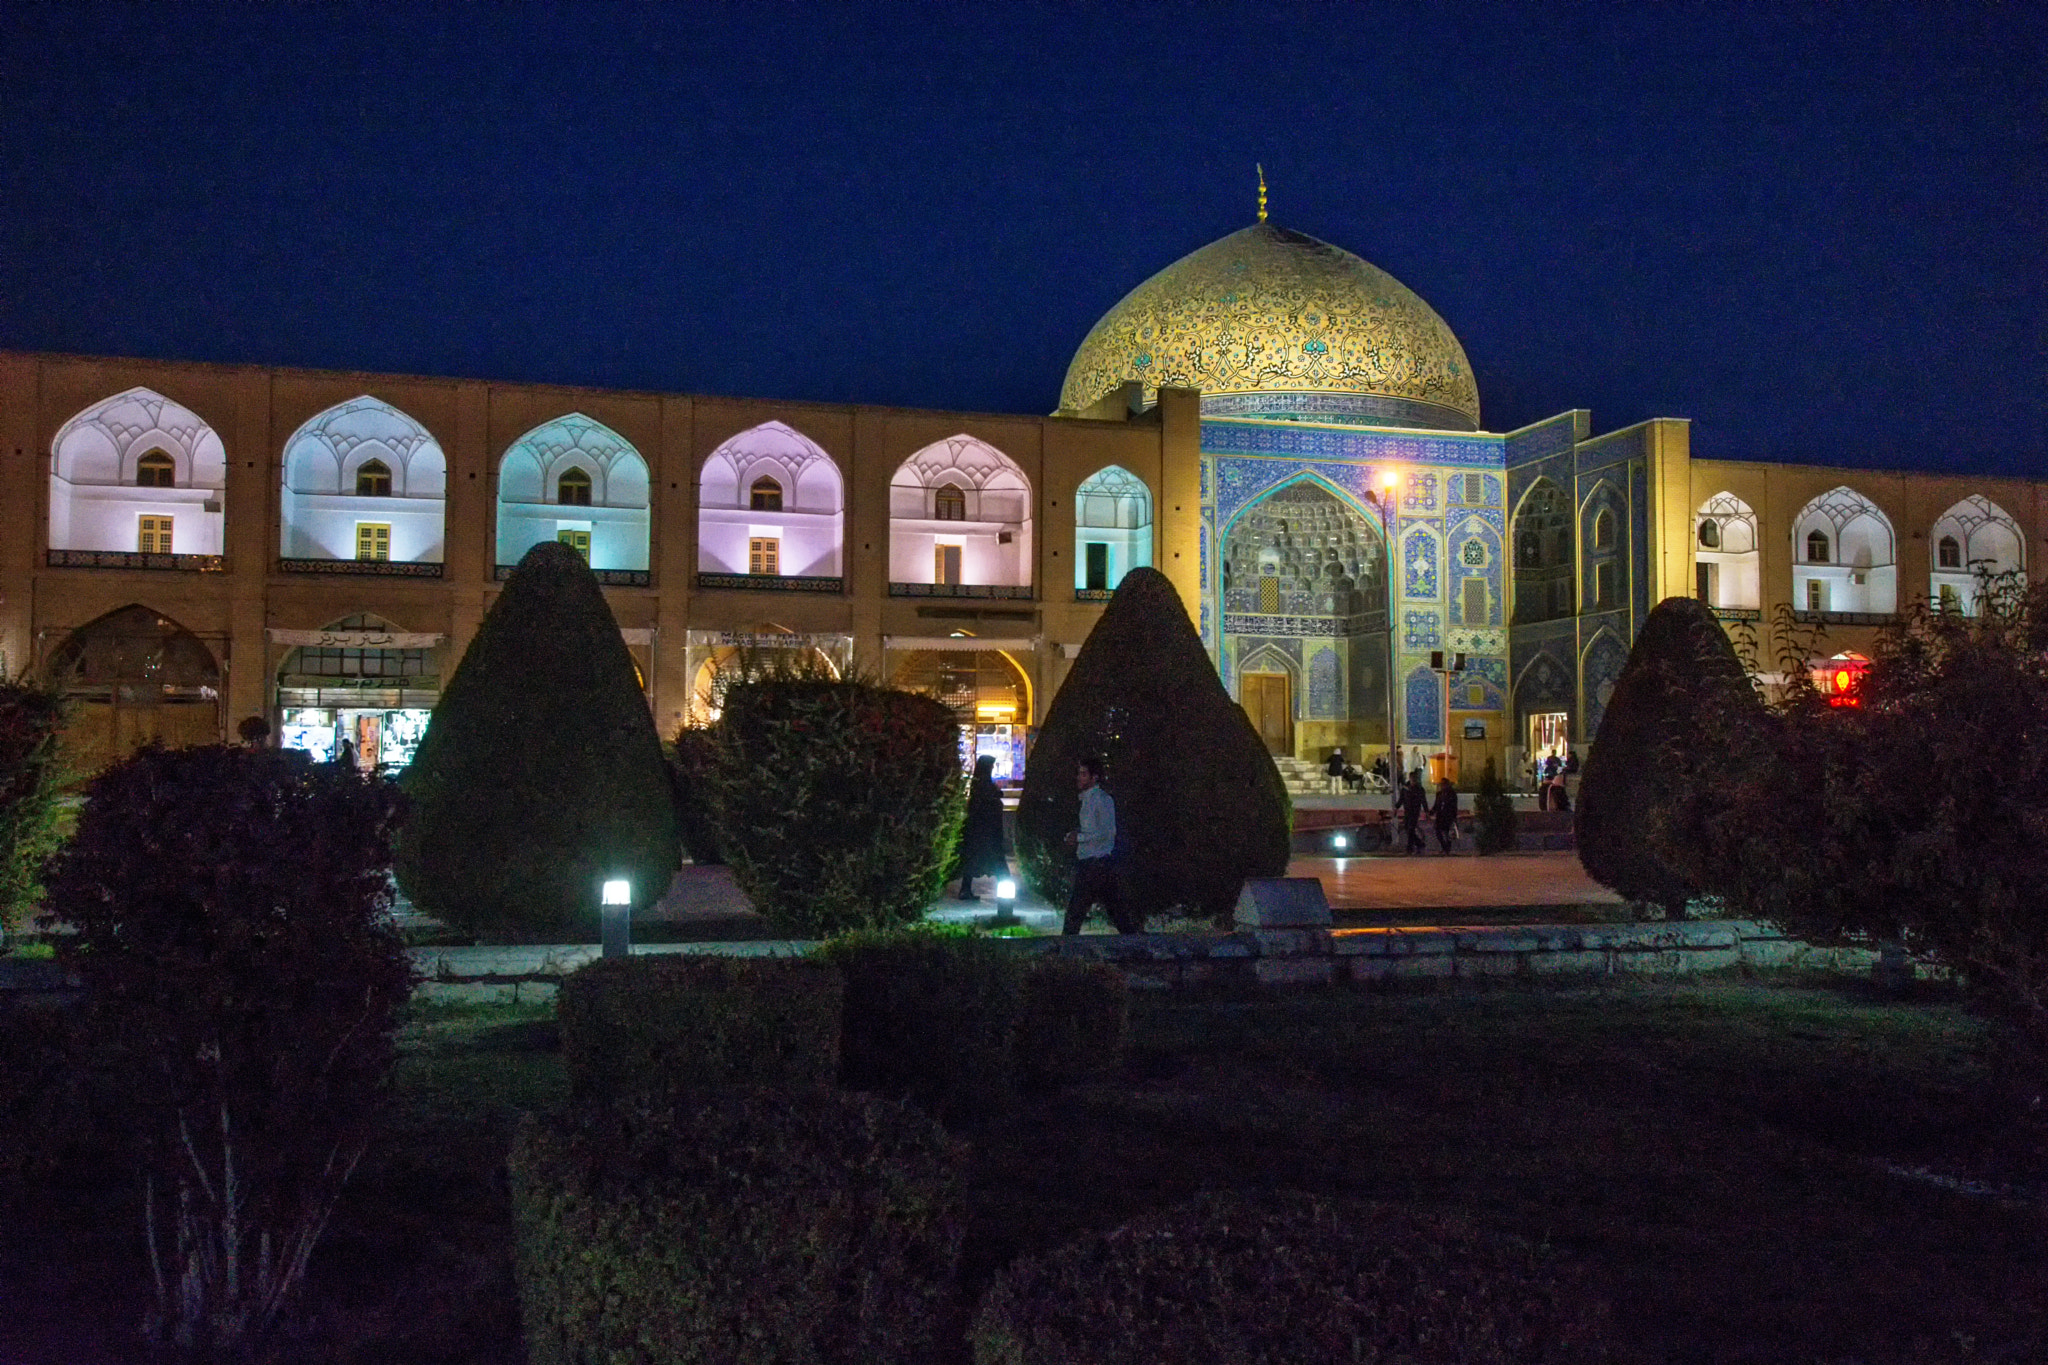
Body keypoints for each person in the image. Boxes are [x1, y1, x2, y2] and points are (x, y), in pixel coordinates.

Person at [1064, 755, 1137, 935]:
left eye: (1083, 774)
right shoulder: (1088, 800)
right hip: (1093, 862)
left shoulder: (1101, 800)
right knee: (1116, 910)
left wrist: (1079, 838)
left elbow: (1107, 832)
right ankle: (1133, 940)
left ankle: (1064, 950)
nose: (1079, 778)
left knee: (1077, 911)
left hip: (1096, 863)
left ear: (1094, 777)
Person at [951, 753, 1008, 900]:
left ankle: (966, 889)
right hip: (986, 832)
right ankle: (1006, 892)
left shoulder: (980, 785)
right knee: (997, 861)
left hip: (979, 831)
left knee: (973, 861)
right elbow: (989, 802)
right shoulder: (984, 786)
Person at [1398, 770, 1427, 855]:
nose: (1414, 781)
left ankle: (1409, 849)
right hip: (1407, 812)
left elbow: (1423, 801)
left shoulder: (1419, 789)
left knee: (1410, 829)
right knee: (1408, 829)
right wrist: (1396, 807)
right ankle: (1419, 844)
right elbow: (1401, 799)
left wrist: (1426, 812)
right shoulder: (1405, 788)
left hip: (1415, 812)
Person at [1431, 776, 1460, 854]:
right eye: (1442, 784)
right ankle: (1445, 847)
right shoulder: (1439, 794)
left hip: (1448, 816)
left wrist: (1454, 817)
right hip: (1440, 816)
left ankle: (1447, 849)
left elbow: (1454, 806)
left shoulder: (1452, 794)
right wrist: (1431, 812)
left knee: (1448, 833)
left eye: (1444, 784)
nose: (1443, 786)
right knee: (1438, 832)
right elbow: (1436, 805)